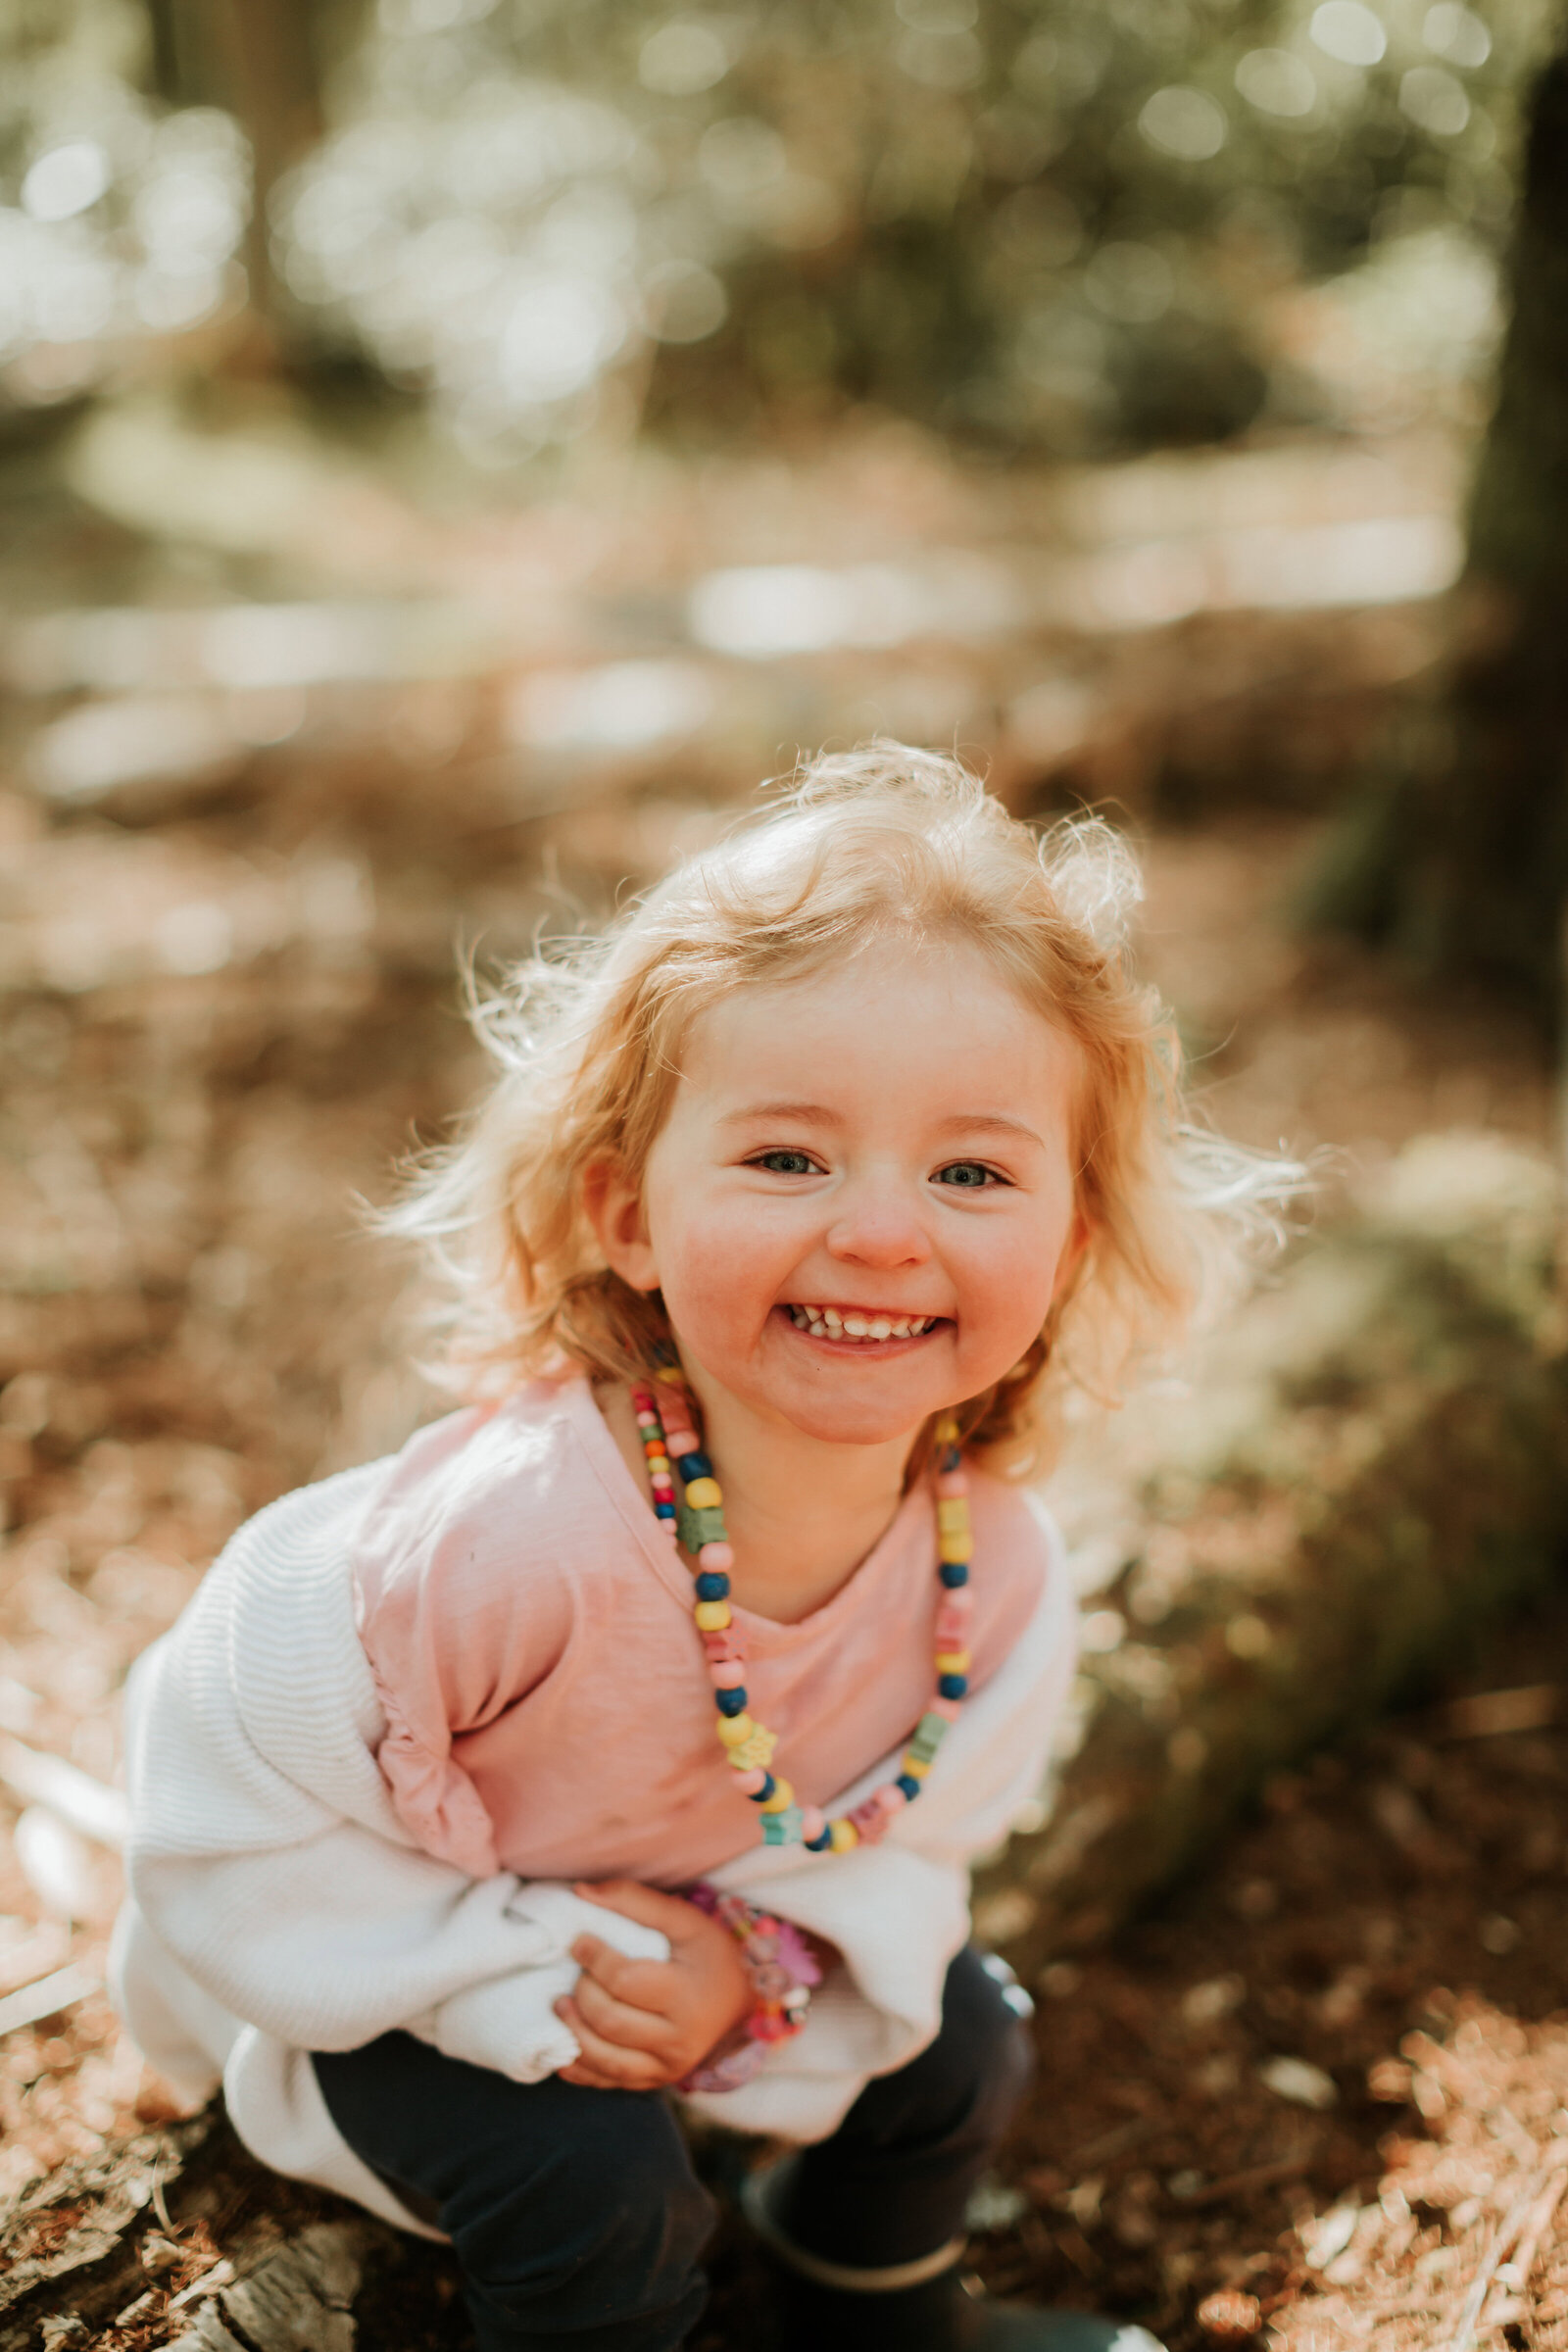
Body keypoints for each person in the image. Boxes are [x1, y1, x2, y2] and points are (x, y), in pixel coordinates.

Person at [111, 747, 1299, 2352]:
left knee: (960, 2044)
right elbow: (219, 1790)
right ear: (627, 1216)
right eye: (788, 1157)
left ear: (1066, 1239)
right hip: (395, 1982)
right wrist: (516, 1971)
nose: (883, 1229)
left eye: (971, 1171)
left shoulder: (989, 1574)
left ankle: (870, 2313)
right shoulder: (498, 1544)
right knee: (593, 2185)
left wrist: (756, 1965)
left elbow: (909, 1850)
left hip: (706, 1965)